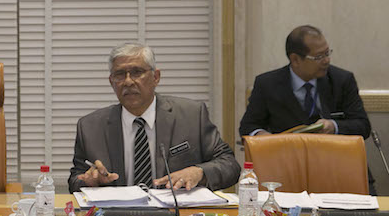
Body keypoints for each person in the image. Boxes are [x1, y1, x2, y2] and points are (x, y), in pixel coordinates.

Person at [68, 43, 240, 193]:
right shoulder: (90, 127)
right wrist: (89, 181)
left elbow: (230, 166)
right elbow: (75, 180)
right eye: (120, 75)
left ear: (156, 77)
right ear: (111, 81)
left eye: (137, 72)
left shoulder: (192, 116)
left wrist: (199, 172)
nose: (128, 82)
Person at [239, 25, 370, 137]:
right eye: (319, 56)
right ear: (295, 59)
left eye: (327, 53)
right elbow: (248, 126)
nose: (326, 60)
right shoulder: (267, 84)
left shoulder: (342, 80)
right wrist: (263, 136)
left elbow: (363, 126)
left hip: (335, 160)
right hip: (288, 160)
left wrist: (333, 126)